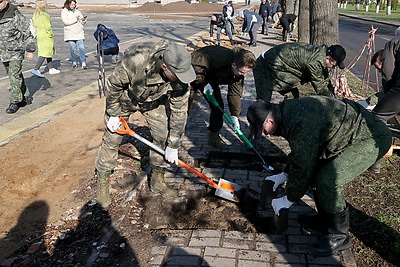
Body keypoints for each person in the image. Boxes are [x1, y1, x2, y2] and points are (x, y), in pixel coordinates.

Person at [247, 97, 392, 257]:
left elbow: (303, 167)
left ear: (269, 120)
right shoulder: (287, 114)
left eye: (263, 129)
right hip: (345, 136)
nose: (265, 134)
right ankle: (324, 219)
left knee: (329, 181)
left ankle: (339, 236)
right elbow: (302, 152)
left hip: (371, 137)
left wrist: (288, 199)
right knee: (317, 174)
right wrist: (284, 174)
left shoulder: (297, 119)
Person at [95, 40, 195, 208]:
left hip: (152, 102)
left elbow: (179, 112)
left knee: (162, 134)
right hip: (124, 99)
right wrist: (113, 113)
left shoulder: (181, 79)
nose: (181, 79)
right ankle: (102, 182)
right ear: (165, 66)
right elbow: (114, 86)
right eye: (177, 74)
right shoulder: (137, 59)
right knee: (112, 138)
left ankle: (158, 180)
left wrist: (174, 145)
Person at [190, 46, 256, 148]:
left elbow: (234, 93)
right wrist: (203, 83)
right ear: (234, 65)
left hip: (211, 77)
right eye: (242, 72)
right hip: (194, 73)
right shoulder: (216, 57)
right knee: (183, 107)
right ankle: (174, 138)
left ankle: (213, 137)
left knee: (218, 107)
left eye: (247, 72)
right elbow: (194, 67)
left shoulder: (239, 73)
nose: (244, 75)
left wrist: (235, 115)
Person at [253, 42, 346, 101]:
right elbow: (320, 86)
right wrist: (335, 102)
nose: (332, 68)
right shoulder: (316, 62)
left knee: (293, 97)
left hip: (279, 66)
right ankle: (256, 129)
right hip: (265, 66)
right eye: (333, 65)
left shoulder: (320, 53)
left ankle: (286, 121)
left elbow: (325, 79)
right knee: (263, 102)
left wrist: (334, 96)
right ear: (328, 58)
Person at [0, 0, 36, 114]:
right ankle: (25, 96)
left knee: (14, 74)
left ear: (6, 1)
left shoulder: (14, 14)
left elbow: (27, 32)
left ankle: (15, 101)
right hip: (3, 52)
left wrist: (30, 50)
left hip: (16, 51)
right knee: (15, 74)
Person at [367, 38, 400, 122]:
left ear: (383, 60)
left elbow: (388, 75)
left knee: (378, 116)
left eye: (380, 69)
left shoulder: (392, 44)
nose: (380, 72)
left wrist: (387, 97)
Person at [31, 0, 60, 78]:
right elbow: (48, 27)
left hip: (40, 36)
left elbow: (34, 24)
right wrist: (51, 34)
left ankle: (51, 68)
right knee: (45, 53)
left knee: (47, 52)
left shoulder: (36, 15)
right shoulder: (45, 15)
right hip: (46, 36)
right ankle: (36, 68)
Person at [61, 0, 87, 69]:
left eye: (74, 4)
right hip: (70, 33)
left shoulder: (77, 11)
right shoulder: (64, 12)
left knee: (81, 48)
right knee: (72, 48)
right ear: (68, 4)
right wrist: (75, 19)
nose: (74, 6)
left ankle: (83, 62)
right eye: (72, 4)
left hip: (79, 32)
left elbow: (81, 22)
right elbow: (66, 22)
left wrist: (83, 20)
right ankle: (74, 61)